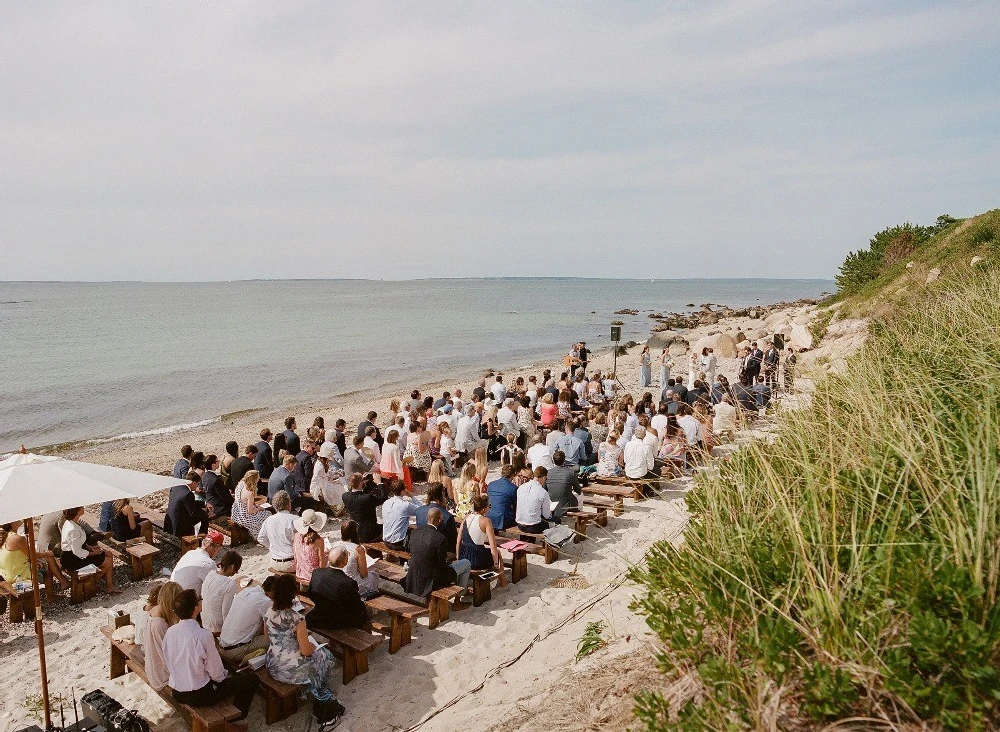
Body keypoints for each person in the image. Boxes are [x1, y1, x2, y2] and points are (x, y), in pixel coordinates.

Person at [162, 589, 259, 729]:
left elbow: (169, 660)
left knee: (222, 663)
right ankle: (234, 720)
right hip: (200, 694)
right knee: (251, 680)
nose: (201, 600)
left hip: (177, 691)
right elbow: (216, 674)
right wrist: (225, 679)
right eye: (199, 599)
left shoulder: (170, 632)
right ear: (196, 608)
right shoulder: (203, 636)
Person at [264, 574, 343, 720]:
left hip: (273, 664)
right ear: (293, 595)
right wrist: (313, 646)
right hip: (290, 670)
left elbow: (267, 637)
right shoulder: (297, 619)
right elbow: (305, 651)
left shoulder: (269, 612)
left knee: (317, 654)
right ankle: (320, 691)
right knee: (325, 655)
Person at [403, 508, 472, 599]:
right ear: (440, 520)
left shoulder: (414, 532)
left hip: (415, 573)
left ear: (427, 518)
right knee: (466, 563)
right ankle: (460, 595)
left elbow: (409, 550)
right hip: (433, 578)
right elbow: (441, 564)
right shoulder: (440, 538)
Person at [305, 546, 369, 630]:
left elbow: (310, 594)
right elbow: (356, 607)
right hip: (337, 622)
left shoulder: (317, 573)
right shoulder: (349, 583)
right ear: (344, 562)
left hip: (318, 617)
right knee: (367, 613)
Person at [218, 576, 276, 667]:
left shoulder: (246, 591)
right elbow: (272, 629)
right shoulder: (265, 601)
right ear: (273, 592)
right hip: (236, 651)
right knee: (279, 638)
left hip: (223, 644)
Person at [60, 507, 119, 593]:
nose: (83, 508)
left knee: (108, 553)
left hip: (75, 554)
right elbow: (77, 552)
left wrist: (90, 548)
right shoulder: (73, 529)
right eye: (81, 508)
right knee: (107, 562)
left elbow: (77, 543)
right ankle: (94, 584)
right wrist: (93, 553)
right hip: (72, 559)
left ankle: (108, 584)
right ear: (76, 512)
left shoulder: (71, 523)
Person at [0, 520, 67, 591]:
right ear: (13, 523)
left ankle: (62, 583)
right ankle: (60, 586)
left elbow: (16, 556)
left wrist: (36, 559)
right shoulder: (17, 538)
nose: (21, 520)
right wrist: (47, 553)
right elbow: (33, 554)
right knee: (48, 561)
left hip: (6, 574)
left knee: (43, 562)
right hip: (18, 576)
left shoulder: (4, 536)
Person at [143, 581, 182, 691]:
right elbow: (166, 655)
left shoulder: (155, 610)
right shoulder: (159, 624)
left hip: (154, 665)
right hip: (161, 675)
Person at [201, 550, 242, 634]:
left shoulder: (211, 573)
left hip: (204, 621)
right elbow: (226, 613)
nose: (236, 573)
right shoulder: (229, 584)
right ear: (232, 567)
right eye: (236, 569)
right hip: (216, 627)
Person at [457, 494, 501, 571]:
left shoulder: (466, 517)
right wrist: (496, 563)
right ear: (484, 509)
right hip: (476, 558)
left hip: (464, 555)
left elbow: (459, 540)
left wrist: (458, 556)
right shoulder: (486, 521)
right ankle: (501, 579)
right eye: (489, 506)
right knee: (498, 553)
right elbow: (493, 545)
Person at [257, 491, 298, 572]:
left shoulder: (268, 520)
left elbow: (261, 538)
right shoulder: (294, 519)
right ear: (288, 504)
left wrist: (272, 547)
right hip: (292, 562)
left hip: (274, 561)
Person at [341, 473, 387, 543]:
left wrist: (361, 480)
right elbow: (383, 498)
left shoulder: (345, 496)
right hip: (369, 533)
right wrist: (379, 483)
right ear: (360, 483)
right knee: (390, 528)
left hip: (355, 532)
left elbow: (357, 494)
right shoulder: (367, 498)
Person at [165, 472, 211, 538]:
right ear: (194, 483)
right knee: (204, 516)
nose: (197, 486)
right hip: (179, 524)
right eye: (197, 484)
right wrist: (206, 513)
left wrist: (204, 504)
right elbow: (193, 513)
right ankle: (201, 538)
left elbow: (189, 502)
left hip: (170, 520)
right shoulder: (187, 494)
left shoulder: (177, 487)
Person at [293, 509, 329, 585]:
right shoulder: (318, 540)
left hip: (300, 573)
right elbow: (321, 564)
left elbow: (295, 556)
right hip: (313, 576)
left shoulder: (296, 536)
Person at [381, 480, 417, 551]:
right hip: (398, 543)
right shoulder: (405, 505)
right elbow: (421, 510)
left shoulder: (386, 503)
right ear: (403, 491)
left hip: (386, 540)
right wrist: (412, 496)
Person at [546, 450, 582, 519]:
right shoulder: (571, 473)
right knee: (581, 495)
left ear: (553, 461)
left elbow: (545, 489)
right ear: (564, 460)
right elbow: (578, 490)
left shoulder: (548, 473)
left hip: (552, 502)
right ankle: (579, 517)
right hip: (566, 505)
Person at [515, 466, 551, 535]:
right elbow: (546, 515)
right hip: (534, 526)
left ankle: (527, 540)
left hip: (520, 523)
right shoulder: (543, 492)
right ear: (543, 477)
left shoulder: (521, 488)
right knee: (554, 521)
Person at [485, 464, 518, 530]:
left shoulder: (491, 484)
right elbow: (516, 506)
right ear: (512, 475)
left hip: (489, 515)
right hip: (503, 519)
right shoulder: (513, 488)